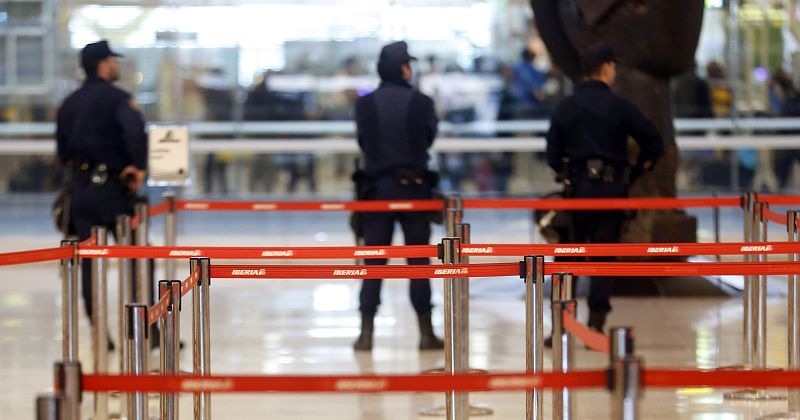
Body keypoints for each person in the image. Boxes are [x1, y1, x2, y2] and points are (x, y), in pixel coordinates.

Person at [544, 43, 663, 339]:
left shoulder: (567, 106)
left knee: (568, 254)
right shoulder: (621, 107)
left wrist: (566, 172)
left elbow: (551, 154)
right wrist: (634, 173)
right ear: (607, 68)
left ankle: (561, 324)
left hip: (578, 191)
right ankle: (596, 323)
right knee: (603, 256)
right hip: (612, 191)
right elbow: (654, 143)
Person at [352, 41, 443, 352]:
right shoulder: (422, 102)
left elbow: (364, 142)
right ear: (404, 68)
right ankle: (426, 333)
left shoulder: (365, 104)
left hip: (376, 191)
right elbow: (428, 138)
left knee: (374, 261)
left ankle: (366, 334)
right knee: (418, 260)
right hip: (415, 190)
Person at [56, 40, 147, 347]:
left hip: (81, 192)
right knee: (135, 258)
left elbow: (62, 150)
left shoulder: (69, 103)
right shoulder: (119, 99)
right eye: (113, 61)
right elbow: (135, 133)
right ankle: (144, 330)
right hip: (114, 191)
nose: (116, 66)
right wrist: (137, 166)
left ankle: (100, 333)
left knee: (89, 263)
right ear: (103, 64)